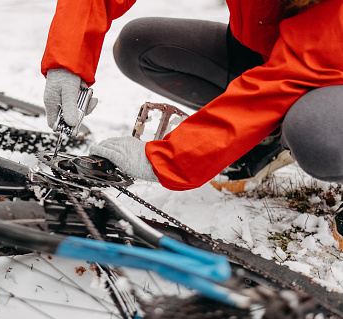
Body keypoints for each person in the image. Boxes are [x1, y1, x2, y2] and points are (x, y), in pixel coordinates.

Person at [41, 0, 343, 195]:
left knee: (317, 135)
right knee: (140, 47)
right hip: (270, 51)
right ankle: (262, 142)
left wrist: (168, 159)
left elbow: (295, 69)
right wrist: (68, 61)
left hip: (330, 69)